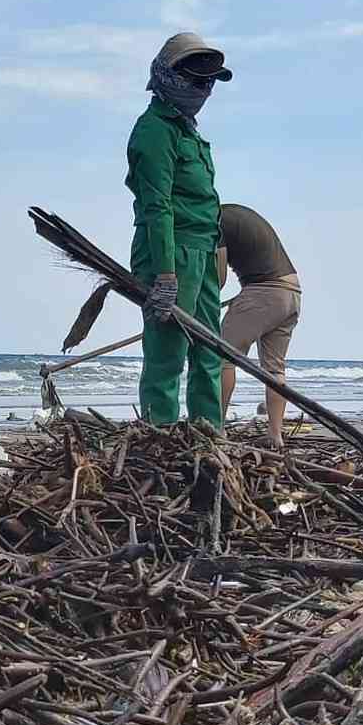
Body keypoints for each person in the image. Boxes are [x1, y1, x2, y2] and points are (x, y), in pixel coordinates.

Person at [127, 33, 232, 428]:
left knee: (209, 353)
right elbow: (158, 206)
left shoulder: (189, 132)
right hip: (170, 252)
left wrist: (215, 257)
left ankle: (208, 436)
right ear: (168, 77)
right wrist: (166, 274)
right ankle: (160, 437)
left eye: (209, 83)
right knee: (167, 355)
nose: (204, 90)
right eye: (196, 81)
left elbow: (205, 205)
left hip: (202, 254)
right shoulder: (154, 130)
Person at [215, 203, 300, 448]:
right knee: (275, 369)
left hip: (264, 291)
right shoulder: (233, 213)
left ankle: (217, 428)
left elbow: (219, 278)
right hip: (292, 292)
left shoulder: (214, 220)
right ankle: (275, 435)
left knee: (222, 357)